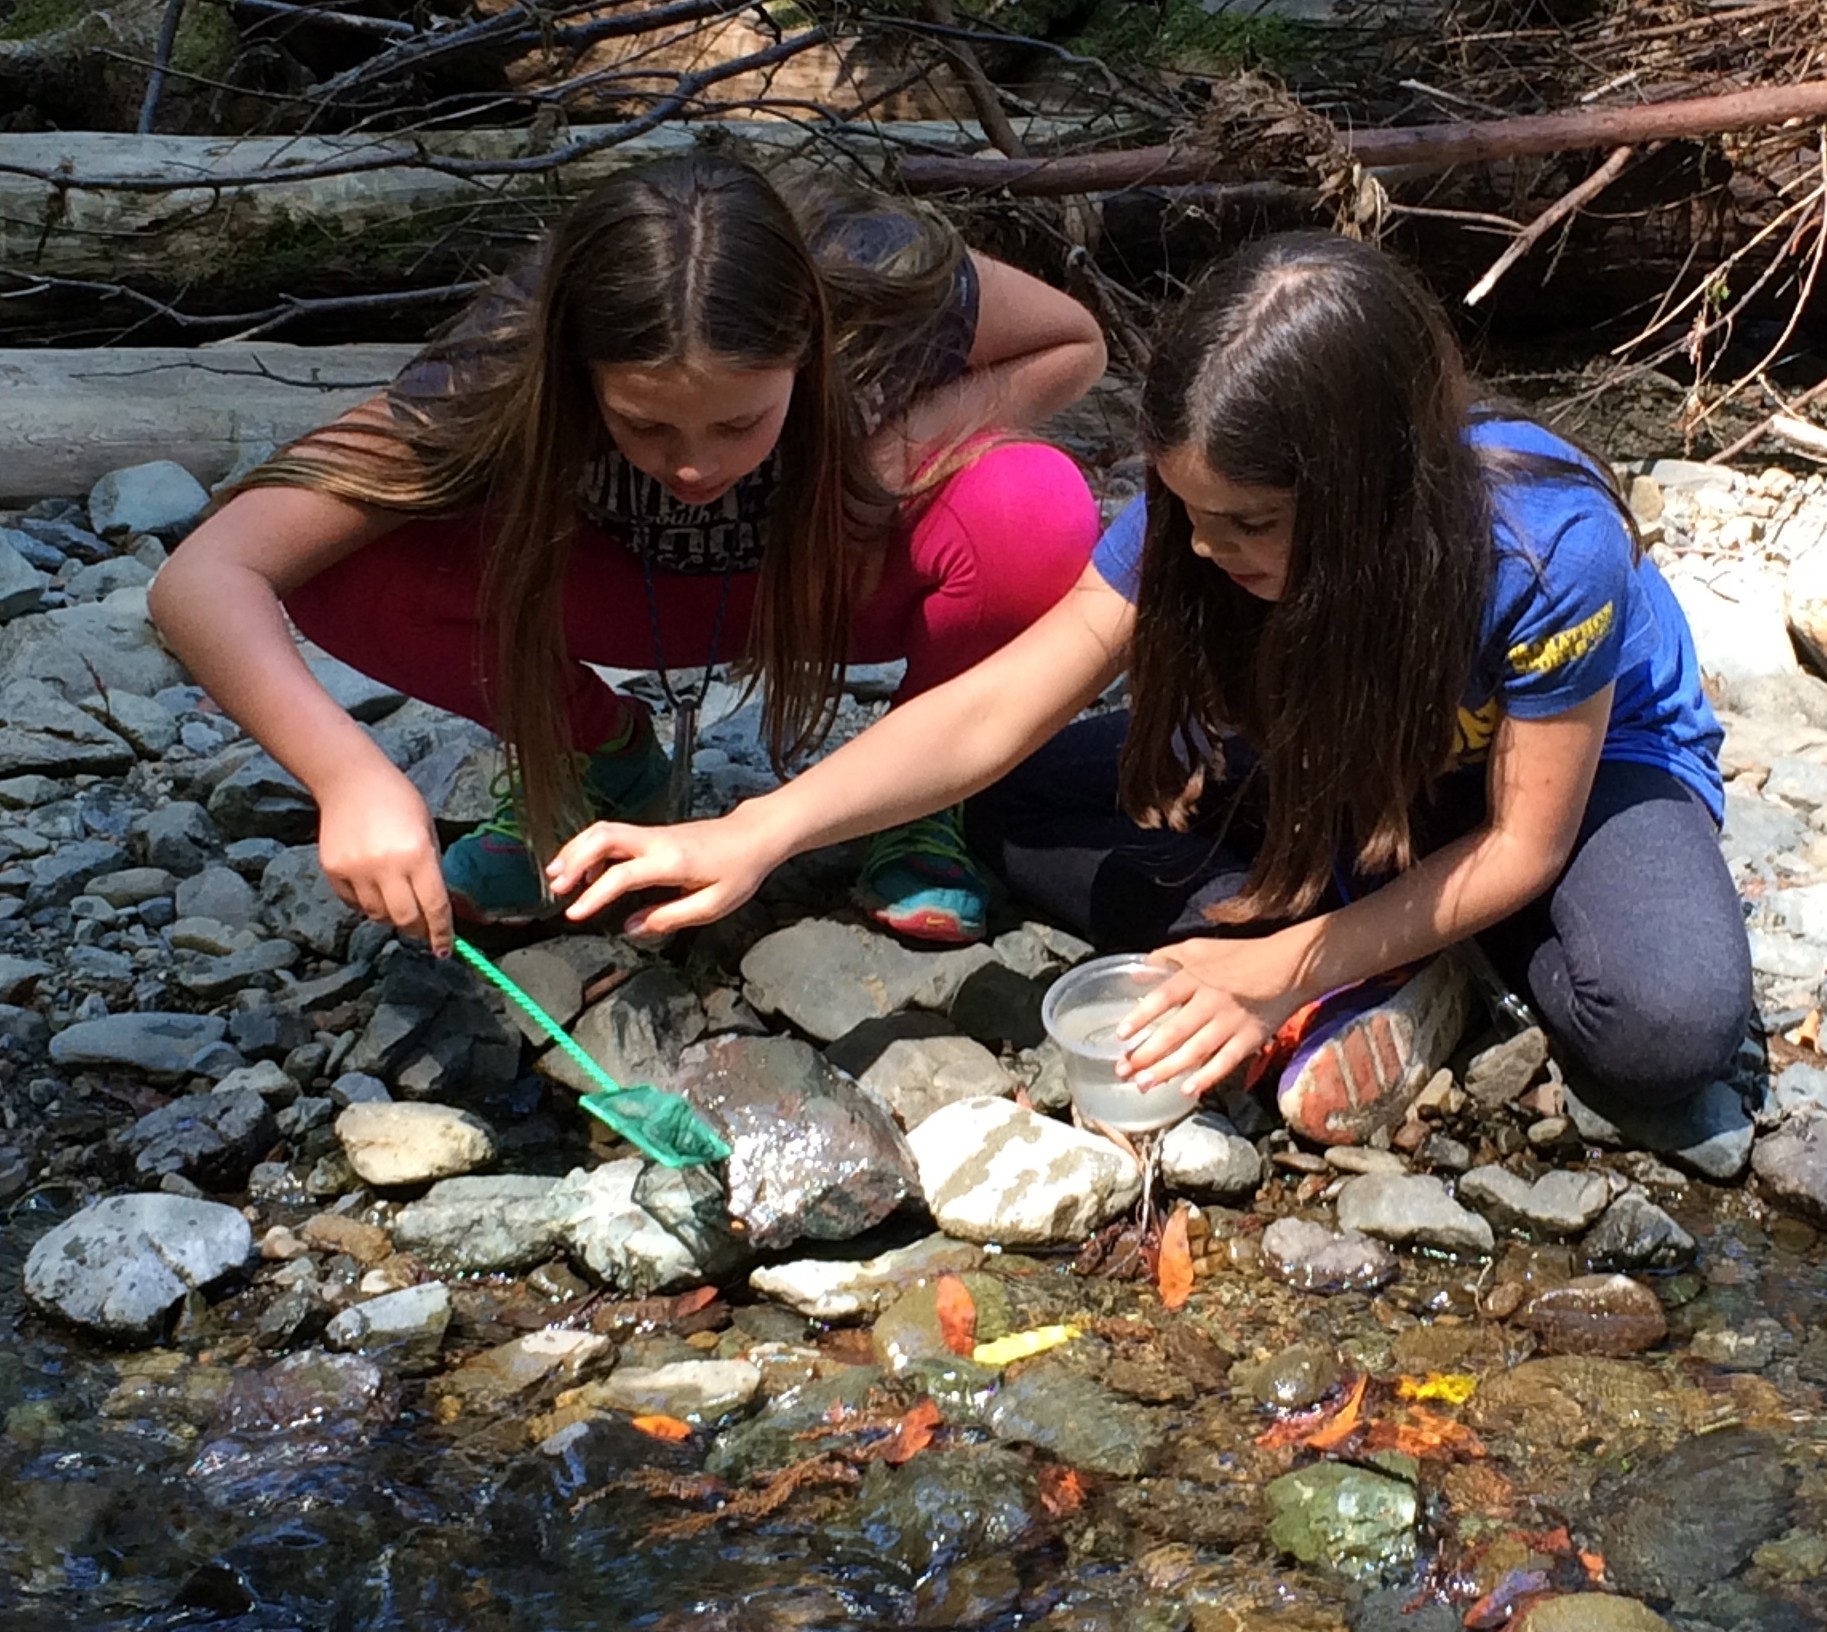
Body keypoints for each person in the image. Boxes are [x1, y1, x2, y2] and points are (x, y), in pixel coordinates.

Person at [545, 230, 1753, 1145]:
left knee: (1660, 1034)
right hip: (1338, 759)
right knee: (1007, 808)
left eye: (1253, 523)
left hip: (1562, 776)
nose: (1210, 547)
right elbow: (1004, 704)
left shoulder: (1545, 547)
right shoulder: (1200, 519)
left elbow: (1526, 842)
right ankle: (1382, 936)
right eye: (1185, 510)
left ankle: (1377, 941)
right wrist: (761, 827)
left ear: (1371, 493)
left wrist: (1279, 963)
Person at [150, 153, 1105, 954]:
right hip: (614, 585)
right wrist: (348, 775)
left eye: (741, 421)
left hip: (827, 580)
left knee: (1033, 507)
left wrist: (895, 444)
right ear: (578, 370)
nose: (695, 465)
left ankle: (915, 796)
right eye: (644, 424)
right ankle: (596, 756)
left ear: (809, 346)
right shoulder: (509, 356)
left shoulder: (872, 279)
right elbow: (205, 574)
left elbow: (1074, 342)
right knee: (346, 558)